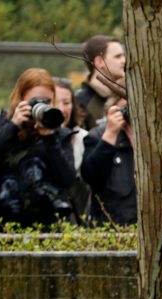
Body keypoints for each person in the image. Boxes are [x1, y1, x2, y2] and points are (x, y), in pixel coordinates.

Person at [0, 68, 76, 227]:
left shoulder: (60, 135)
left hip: (47, 228)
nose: (42, 106)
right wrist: (14, 125)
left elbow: (67, 180)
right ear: (20, 99)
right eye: (36, 101)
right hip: (4, 226)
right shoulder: (2, 127)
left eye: (47, 101)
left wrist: (50, 137)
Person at [81, 96, 136, 225]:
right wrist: (110, 134)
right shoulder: (98, 136)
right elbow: (90, 175)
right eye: (125, 108)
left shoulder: (152, 136)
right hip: (112, 225)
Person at [54, 77, 92, 220]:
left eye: (66, 103)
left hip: (78, 218)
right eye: (55, 102)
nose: (61, 109)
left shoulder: (84, 139)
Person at [76, 36, 126, 130]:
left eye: (123, 55)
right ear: (99, 61)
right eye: (118, 56)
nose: (124, 61)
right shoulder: (81, 102)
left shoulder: (125, 97)